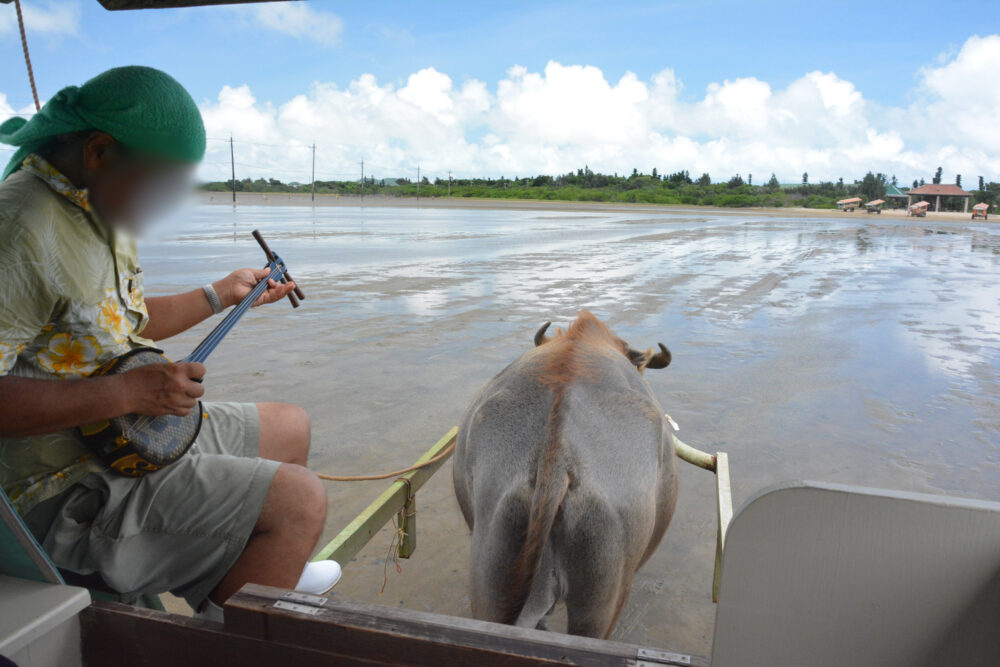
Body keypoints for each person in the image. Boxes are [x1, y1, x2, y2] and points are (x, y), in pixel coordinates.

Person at [0, 66, 339, 621]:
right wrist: (125, 395)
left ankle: (244, 589)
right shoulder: (19, 228)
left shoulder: (101, 212)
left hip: (121, 435)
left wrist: (222, 293)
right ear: (100, 152)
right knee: (299, 501)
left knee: (290, 424)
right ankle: (245, 626)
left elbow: (120, 325)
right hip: (60, 487)